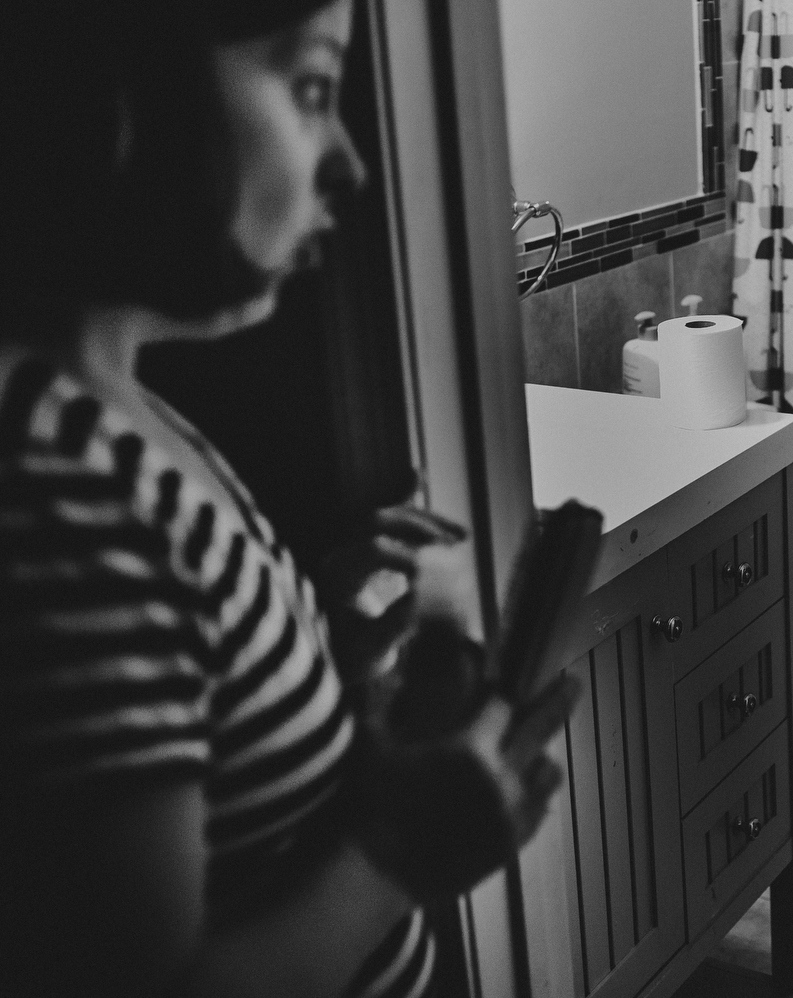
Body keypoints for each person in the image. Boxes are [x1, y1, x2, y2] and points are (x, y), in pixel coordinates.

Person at [0, 1, 578, 996]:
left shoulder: (119, 412)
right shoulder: (58, 484)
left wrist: (316, 643)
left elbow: (201, 765)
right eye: (313, 86)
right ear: (128, 93)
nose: (349, 162)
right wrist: (397, 856)